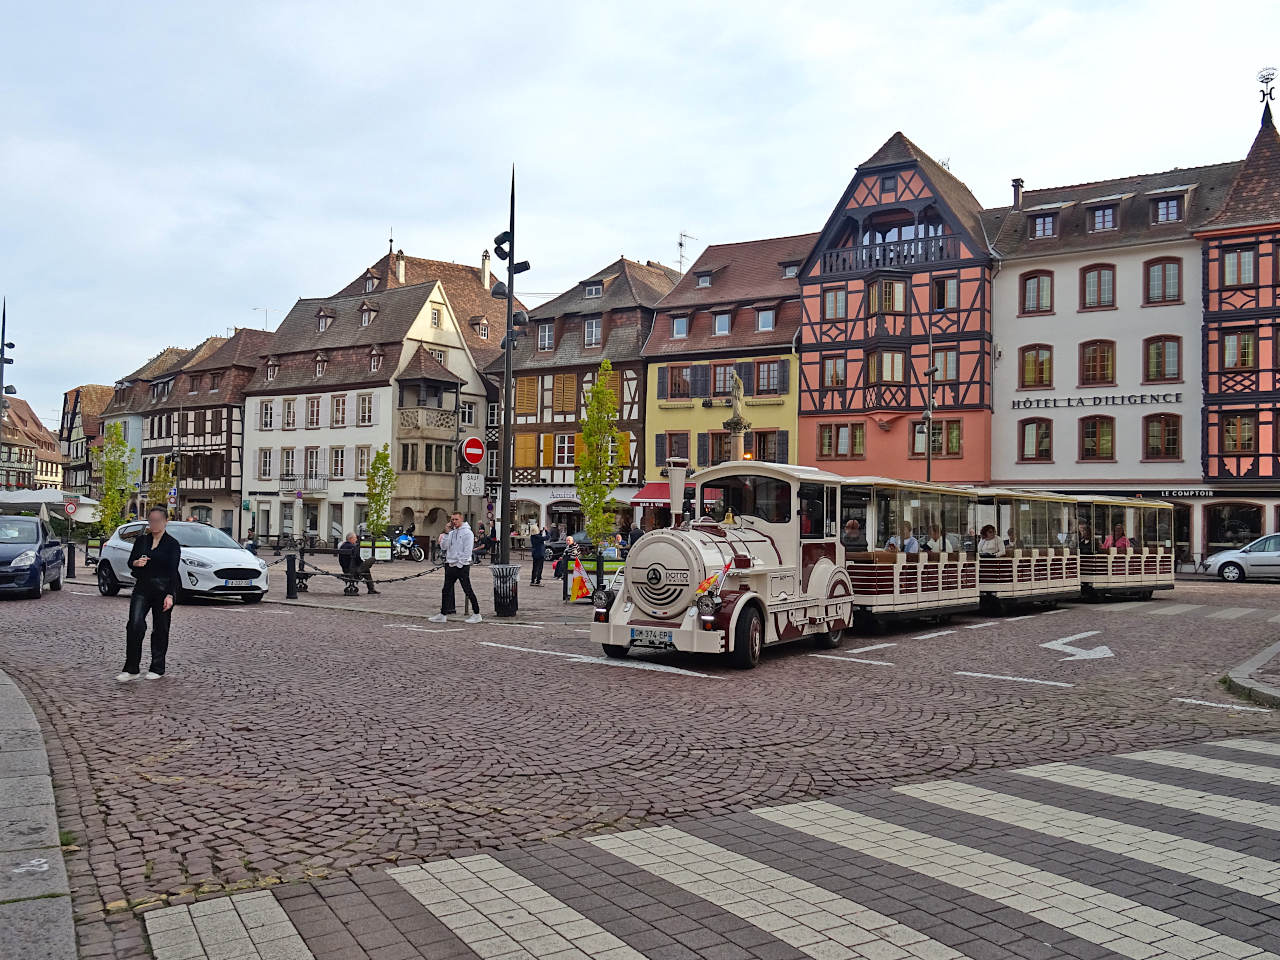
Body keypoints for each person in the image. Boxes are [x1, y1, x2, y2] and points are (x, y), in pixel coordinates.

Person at [118, 506, 181, 682]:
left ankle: (157, 667)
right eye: (151, 520)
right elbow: (131, 562)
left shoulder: (172, 544)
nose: (154, 524)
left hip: (163, 589)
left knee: (160, 629)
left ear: (165, 522)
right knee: (134, 625)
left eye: (157, 521)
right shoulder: (142, 541)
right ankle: (131, 668)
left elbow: (173, 571)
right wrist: (136, 563)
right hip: (142, 588)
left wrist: (170, 595)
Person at [431, 513, 482, 623]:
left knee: (467, 590)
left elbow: (467, 551)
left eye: (456, 519)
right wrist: (446, 532)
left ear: (461, 519)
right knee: (446, 590)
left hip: (461, 566)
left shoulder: (468, 533)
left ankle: (477, 613)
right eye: (452, 519)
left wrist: (460, 564)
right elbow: (444, 546)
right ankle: (443, 614)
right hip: (450, 564)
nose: (454, 521)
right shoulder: (452, 533)